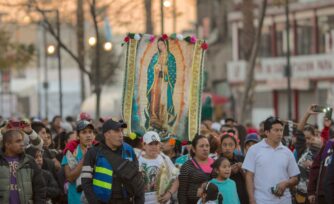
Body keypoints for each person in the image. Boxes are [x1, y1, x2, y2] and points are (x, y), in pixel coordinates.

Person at [81, 119, 145, 204]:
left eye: (121, 131)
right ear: (107, 134)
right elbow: (86, 183)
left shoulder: (129, 150)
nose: (121, 135)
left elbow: (137, 180)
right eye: (117, 131)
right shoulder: (93, 153)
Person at [243, 116, 300, 204]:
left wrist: (285, 183)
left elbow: (295, 178)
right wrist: (251, 199)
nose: (280, 133)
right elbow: (249, 176)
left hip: (284, 200)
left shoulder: (287, 152)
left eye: (281, 130)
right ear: (267, 132)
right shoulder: (254, 150)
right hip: (261, 200)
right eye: (276, 130)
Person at [0, 130, 46, 203]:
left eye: (22, 141)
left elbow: (39, 188)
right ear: (7, 144)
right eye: (18, 141)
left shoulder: (29, 161)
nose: (22, 144)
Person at [138, 131, 179, 204]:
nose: (154, 147)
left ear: (159, 145)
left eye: (156, 144)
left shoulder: (165, 159)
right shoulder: (137, 160)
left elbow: (177, 179)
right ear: (144, 145)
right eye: (150, 144)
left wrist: (169, 193)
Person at [145, 37, 177, 130]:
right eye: (158, 45)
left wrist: (165, 68)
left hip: (166, 82)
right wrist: (156, 67)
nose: (160, 47)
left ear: (166, 45)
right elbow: (150, 68)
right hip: (156, 81)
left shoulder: (170, 57)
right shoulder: (156, 56)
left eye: (162, 44)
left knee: (164, 99)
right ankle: (154, 118)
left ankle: (164, 119)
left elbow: (173, 71)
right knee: (155, 98)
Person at [61, 119, 96, 204]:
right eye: (84, 132)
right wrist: (85, 158)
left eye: (90, 132)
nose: (88, 135)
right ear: (77, 136)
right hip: (76, 200)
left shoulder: (99, 151)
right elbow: (69, 177)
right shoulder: (70, 152)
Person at [178, 135, 213, 204]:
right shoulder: (187, 166)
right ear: (193, 149)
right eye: (201, 146)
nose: (205, 149)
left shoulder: (216, 164)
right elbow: (182, 193)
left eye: (207, 146)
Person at [219, 132, 248, 204]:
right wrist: (230, 171)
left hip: (242, 196)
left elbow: (249, 179)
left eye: (231, 145)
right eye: (224, 145)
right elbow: (215, 179)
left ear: (235, 146)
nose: (227, 148)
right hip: (225, 197)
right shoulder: (217, 161)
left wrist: (242, 170)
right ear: (221, 146)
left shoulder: (242, 159)